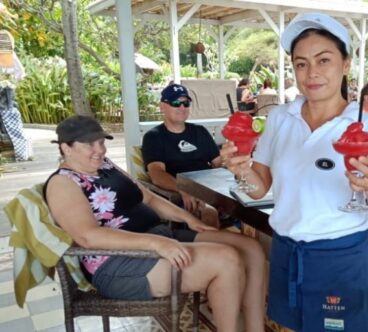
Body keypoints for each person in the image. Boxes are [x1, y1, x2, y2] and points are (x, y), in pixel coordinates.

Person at [220, 13, 368, 331]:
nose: (311, 73)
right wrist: (240, 169)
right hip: (287, 251)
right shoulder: (280, 118)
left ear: (345, 64)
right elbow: (260, 188)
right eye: (301, 64)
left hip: (339, 258)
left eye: (323, 60)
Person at [44, 115, 266, 332]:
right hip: (118, 264)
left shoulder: (106, 166)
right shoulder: (63, 183)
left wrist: (189, 219)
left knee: (250, 248)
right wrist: (156, 244)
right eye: (89, 144)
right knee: (226, 260)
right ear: (66, 148)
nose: (99, 150)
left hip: (157, 236)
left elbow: (148, 198)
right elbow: (88, 236)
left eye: (101, 142)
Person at [142, 83, 221, 229]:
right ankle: (215, 249)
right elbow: (156, 174)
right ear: (162, 106)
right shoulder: (154, 137)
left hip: (212, 188)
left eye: (186, 103)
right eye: (176, 103)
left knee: (251, 205)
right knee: (209, 213)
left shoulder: (200, 131)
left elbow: (218, 163)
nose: (182, 107)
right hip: (180, 194)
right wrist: (183, 189)